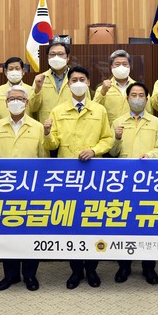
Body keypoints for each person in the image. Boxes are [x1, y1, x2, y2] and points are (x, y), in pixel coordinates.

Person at [43, 66, 114, 289]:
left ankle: (91, 269)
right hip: (67, 175)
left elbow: (108, 139)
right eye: (73, 80)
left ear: (89, 82)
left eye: (82, 79)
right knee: (71, 222)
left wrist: (94, 150)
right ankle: (75, 271)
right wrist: (47, 133)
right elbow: (52, 145)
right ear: (68, 84)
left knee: (93, 221)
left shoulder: (99, 110)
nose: (78, 83)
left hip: (93, 173)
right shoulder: (57, 111)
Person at [0, 86, 45, 292]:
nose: (15, 102)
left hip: (31, 188)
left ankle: (30, 275)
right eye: (11, 99)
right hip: (4, 187)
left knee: (30, 231)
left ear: (27, 103)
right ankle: (10, 275)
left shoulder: (37, 127)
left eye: (19, 99)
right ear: (6, 103)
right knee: (7, 233)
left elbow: (43, 159)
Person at [109, 82, 158, 285]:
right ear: (127, 99)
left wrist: (151, 155)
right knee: (124, 224)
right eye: (133, 95)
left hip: (148, 181)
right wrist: (117, 138)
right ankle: (124, 266)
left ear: (147, 99)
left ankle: (149, 267)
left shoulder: (156, 123)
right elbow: (112, 153)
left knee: (148, 223)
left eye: (141, 95)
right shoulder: (118, 122)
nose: (137, 99)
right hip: (123, 181)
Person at [33, 41, 87, 124]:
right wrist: (37, 89)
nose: (56, 57)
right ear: (48, 57)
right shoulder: (40, 79)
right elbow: (32, 108)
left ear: (68, 57)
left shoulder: (78, 79)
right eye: (52, 54)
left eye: (60, 54)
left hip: (71, 126)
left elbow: (86, 105)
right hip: (47, 126)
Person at [94, 49, 150, 124]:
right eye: (117, 64)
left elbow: (148, 111)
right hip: (110, 129)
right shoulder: (102, 89)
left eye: (124, 64)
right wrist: (102, 92)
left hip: (133, 128)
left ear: (130, 66)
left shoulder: (139, 88)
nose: (121, 67)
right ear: (111, 67)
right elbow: (94, 110)